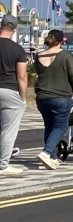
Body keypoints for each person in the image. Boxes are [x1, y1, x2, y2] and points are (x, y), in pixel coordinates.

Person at [33, 29, 73, 171]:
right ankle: (46, 152)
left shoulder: (38, 55)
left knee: (49, 126)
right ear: (61, 42)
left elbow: (40, 72)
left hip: (42, 96)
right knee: (60, 127)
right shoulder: (66, 56)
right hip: (61, 96)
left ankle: (52, 158)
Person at [0, 14, 27, 175]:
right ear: (14, 30)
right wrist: (22, 97)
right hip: (9, 90)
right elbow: (22, 76)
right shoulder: (18, 50)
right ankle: (2, 165)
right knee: (8, 130)